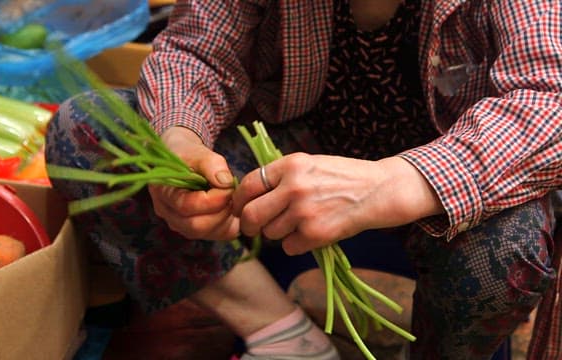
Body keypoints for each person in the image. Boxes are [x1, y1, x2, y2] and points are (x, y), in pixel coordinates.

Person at [45, 0, 562, 359]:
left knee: (509, 245)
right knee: (91, 131)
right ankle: (283, 337)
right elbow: (198, 50)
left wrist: (388, 184)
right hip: (297, 146)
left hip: (443, 176)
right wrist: (181, 140)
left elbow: (547, 99)